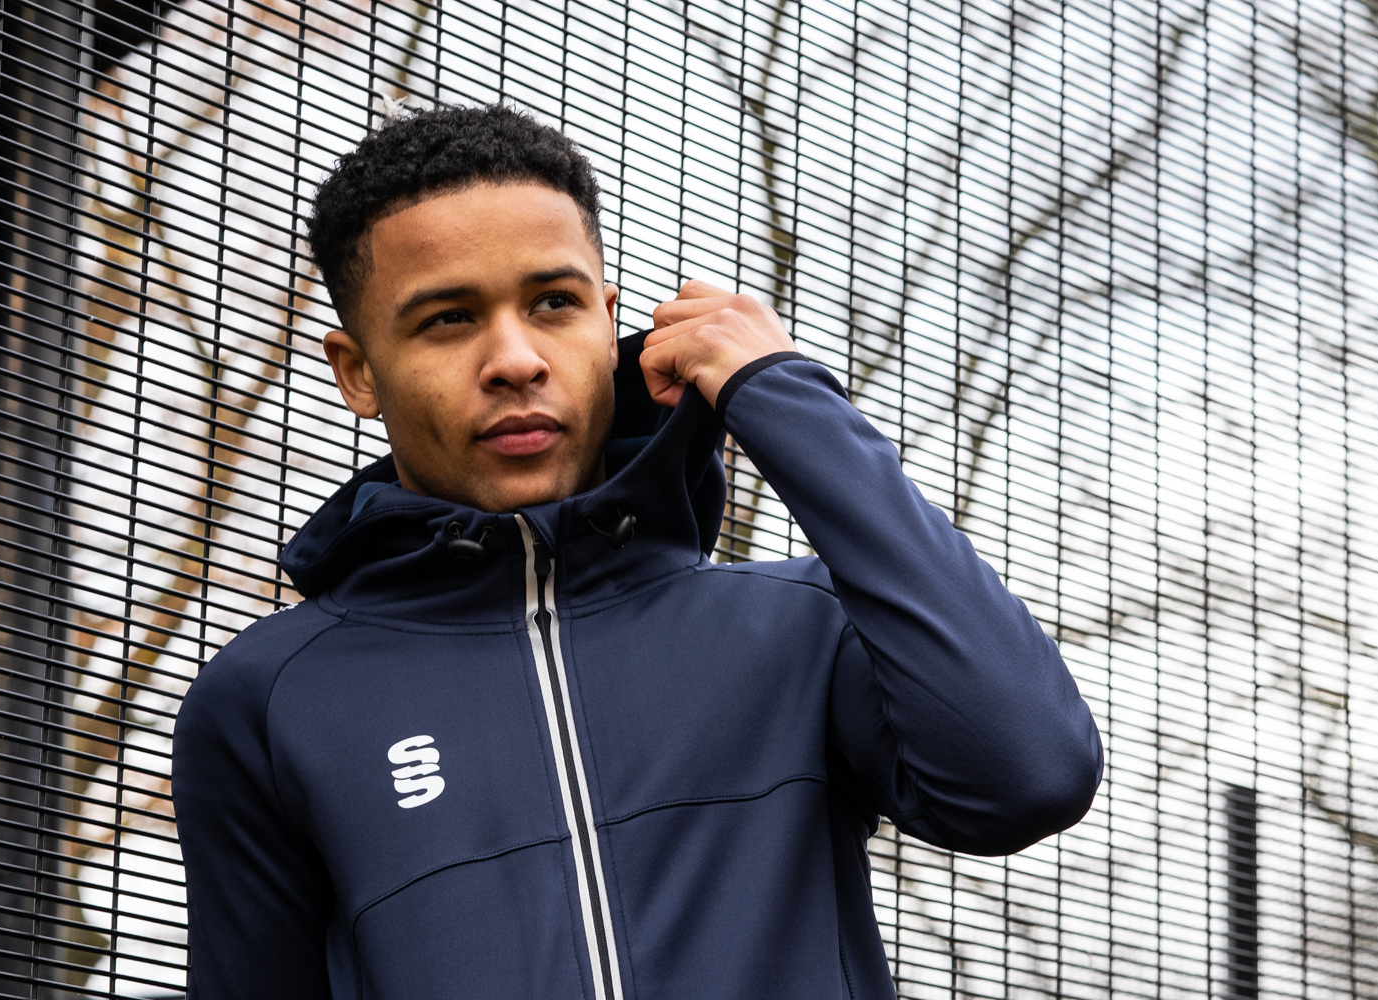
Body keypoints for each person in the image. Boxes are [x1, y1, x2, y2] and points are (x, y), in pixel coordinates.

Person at [171, 103, 1102, 1000]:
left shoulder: (803, 629)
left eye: (555, 303)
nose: (516, 359)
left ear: (606, 318)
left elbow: (1027, 775)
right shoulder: (268, 702)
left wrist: (782, 395)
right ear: (358, 372)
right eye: (449, 318)